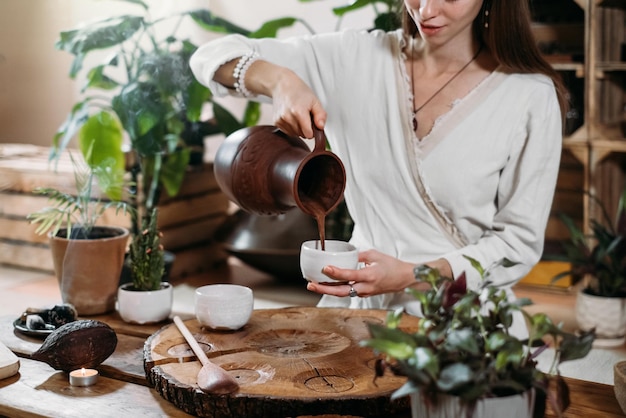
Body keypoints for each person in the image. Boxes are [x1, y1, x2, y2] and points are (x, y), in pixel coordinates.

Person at [190, 0, 567, 337]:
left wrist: (412, 275)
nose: (426, 10)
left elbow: (518, 242)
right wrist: (281, 80)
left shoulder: (529, 95)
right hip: (360, 316)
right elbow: (211, 56)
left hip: (466, 320)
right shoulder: (357, 58)